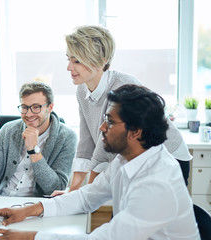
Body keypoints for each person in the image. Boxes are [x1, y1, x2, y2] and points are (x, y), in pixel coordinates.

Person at [0, 84, 200, 240]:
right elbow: (87, 197)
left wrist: (29, 237)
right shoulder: (127, 159)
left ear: (135, 132)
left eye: (110, 122)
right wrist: (28, 210)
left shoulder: (157, 183)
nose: (102, 128)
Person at [52, 25, 191, 196]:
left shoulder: (122, 87)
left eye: (77, 61)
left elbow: (104, 146)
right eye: (69, 59)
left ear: (101, 61)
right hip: (134, 158)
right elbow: (86, 142)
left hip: (168, 157)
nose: (69, 67)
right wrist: (72, 190)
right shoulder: (82, 90)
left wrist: (78, 195)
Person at [0, 82, 77, 197]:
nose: (29, 114)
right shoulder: (8, 130)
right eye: (24, 107)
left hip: (35, 206)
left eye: (36, 107)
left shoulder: (67, 137)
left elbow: (56, 188)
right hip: (1, 197)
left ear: (50, 107)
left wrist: (34, 150)